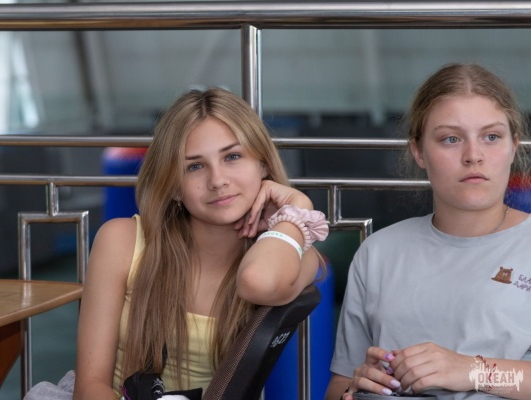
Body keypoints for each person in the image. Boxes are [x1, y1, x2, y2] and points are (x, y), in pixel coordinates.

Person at [72, 87, 328, 399]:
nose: (217, 180)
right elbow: (89, 386)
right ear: (174, 186)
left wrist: (296, 208)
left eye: (232, 157)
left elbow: (257, 281)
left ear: (263, 165)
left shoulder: (295, 256)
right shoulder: (121, 241)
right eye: (195, 166)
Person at [325, 63, 531, 400]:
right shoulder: (379, 252)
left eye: (491, 137)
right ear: (419, 151)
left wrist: (473, 370)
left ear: (514, 146)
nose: (473, 156)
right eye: (451, 139)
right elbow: (339, 385)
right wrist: (355, 388)